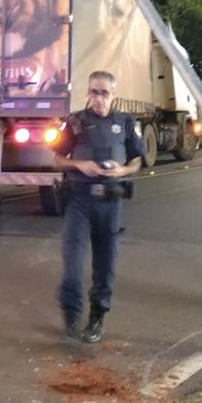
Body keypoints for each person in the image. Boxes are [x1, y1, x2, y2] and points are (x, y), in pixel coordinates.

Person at [53, 70, 146, 343]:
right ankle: (71, 313)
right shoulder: (76, 123)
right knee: (72, 260)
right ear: (88, 93)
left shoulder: (125, 122)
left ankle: (97, 317)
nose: (98, 98)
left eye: (104, 93)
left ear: (113, 95)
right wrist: (79, 164)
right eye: (94, 91)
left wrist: (121, 171)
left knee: (105, 264)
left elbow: (137, 161)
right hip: (79, 200)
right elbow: (57, 160)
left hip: (110, 201)